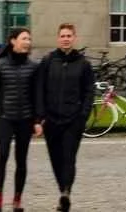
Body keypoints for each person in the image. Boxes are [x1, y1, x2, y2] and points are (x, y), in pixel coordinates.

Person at [33, 23, 93, 212]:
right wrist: (39, 116)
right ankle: (63, 192)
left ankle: (66, 191)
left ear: (74, 38)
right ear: (58, 38)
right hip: (51, 120)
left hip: (73, 120)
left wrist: (82, 115)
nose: (66, 39)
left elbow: (89, 92)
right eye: (63, 36)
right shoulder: (48, 61)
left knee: (69, 158)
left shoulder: (83, 64)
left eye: (69, 36)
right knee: (56, 159)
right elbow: (39, 89)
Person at [0, 27, 41, 212]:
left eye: (29, 39)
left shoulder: (33, 67)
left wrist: (38, 121)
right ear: (13, 41)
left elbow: (36, 96)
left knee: (21, 160)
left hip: (25, 119)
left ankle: (17, 199)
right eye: (24, 38)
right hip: (4, 118)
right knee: (2, 156)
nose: (28, 42)